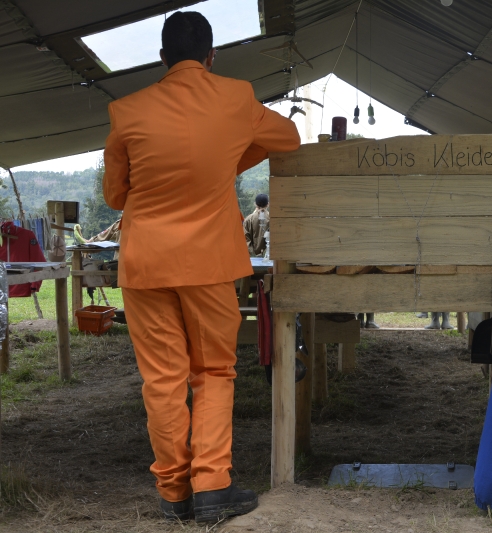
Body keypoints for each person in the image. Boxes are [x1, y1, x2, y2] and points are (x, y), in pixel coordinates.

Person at [103, 11, 300, 523]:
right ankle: (212, 485)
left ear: (162, 58)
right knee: (213, 371)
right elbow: (289, 138)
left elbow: (115, 196)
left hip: (145, 263)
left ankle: (174, 492)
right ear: (212, 57)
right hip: (209, 261)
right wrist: (229, 159)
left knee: (162, 379)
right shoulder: (237, 97)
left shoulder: (126, 110)